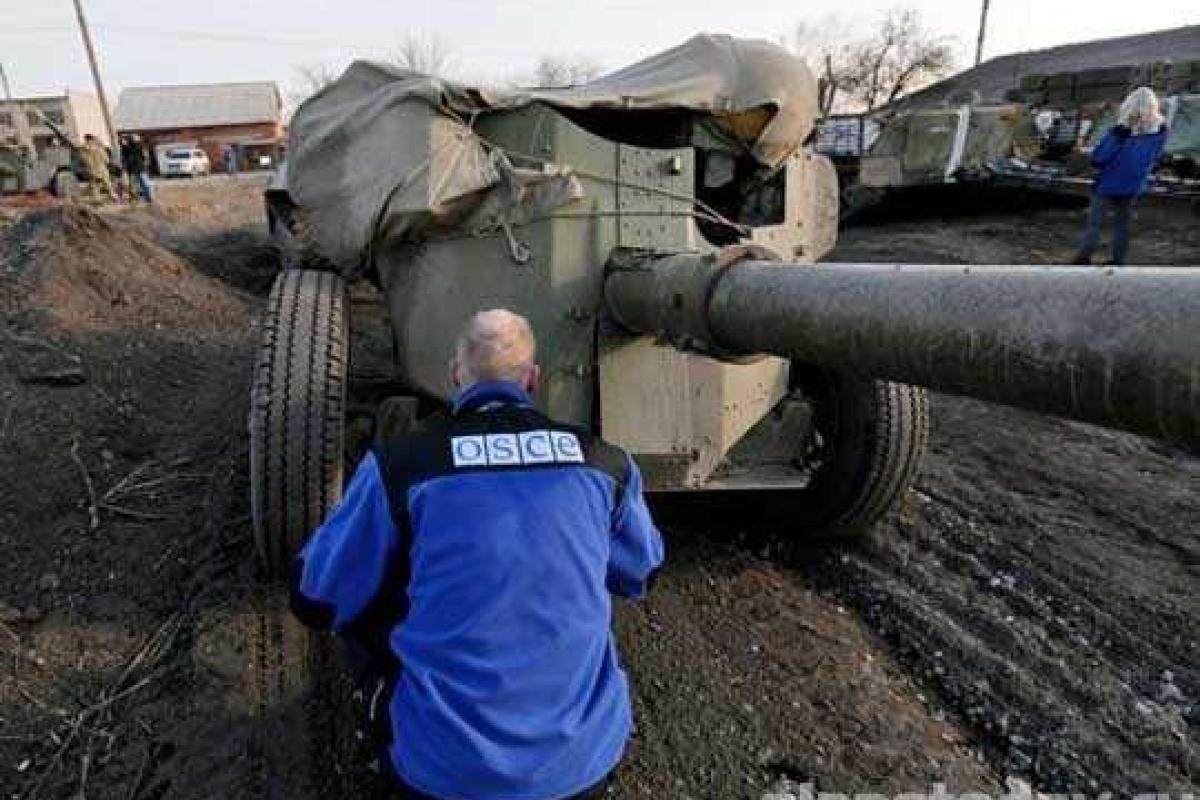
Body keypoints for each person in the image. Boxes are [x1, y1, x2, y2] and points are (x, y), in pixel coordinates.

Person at [291, 309, 665, 800]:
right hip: (580, 767)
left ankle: (396, 722)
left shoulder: (402, 466)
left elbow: (317, 599)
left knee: (366, 594)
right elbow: (641, 572)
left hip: (441, 774)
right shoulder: (605, 464)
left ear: (454, 375)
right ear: (533, 379)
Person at [1072, 87, 1169, 265]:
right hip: (1134, 184)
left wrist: (1114, 138)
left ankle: (1083, 257)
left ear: (1128, 106)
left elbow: (1099, 158)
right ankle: (1118, 260)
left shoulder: (1120, 131)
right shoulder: (1160, 131)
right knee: (1122, 224)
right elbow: (1155, 156)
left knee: (1095, 222)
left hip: (1108, 183)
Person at [76, 133, 114, 203]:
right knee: (107, 183)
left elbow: (81, 160)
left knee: (94, 186)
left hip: (90, 170)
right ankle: (113, 196)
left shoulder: (82, 150)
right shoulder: (99, 148)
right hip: (101, 169)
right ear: (92, 139)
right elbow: (106, 159)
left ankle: (97, 199)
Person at [120, 134, 153, 203]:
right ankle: (140, 198)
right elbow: (124, 158)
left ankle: (149, 198)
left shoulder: (138, 146)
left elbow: (144, 156)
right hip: (132, 169)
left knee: (145, 184)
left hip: (139, 168)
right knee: (136, 185)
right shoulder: (126, 148)